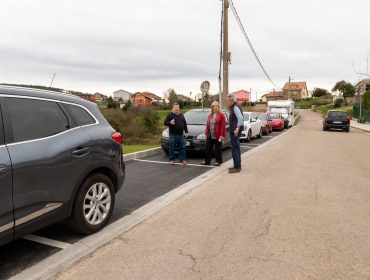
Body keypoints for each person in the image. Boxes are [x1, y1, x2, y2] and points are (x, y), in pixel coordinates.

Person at [202, 101, 226, 166]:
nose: (215, 107)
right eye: (214, 106)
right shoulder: (210, 115)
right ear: (212, 108)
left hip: (218, 135)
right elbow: (207, 125)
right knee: (208, 148)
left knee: (217, 149)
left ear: (219, 107)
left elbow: (223, 126)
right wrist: (206, 133)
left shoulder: (221, 115)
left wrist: (222, 135)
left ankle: (218, 161)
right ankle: (207, 161)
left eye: (216, 106)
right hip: (210, 134)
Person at [226, 94, 244, 173]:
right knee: (236, 148)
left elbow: (240, 118)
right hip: (235, 131)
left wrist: (237, 128)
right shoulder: (235, 106)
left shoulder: (235, 107)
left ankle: (237, 167)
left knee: (235, 149)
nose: (227, 102)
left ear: (231, 100)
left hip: (235, 131)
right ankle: (237, 165)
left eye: (227, 100)